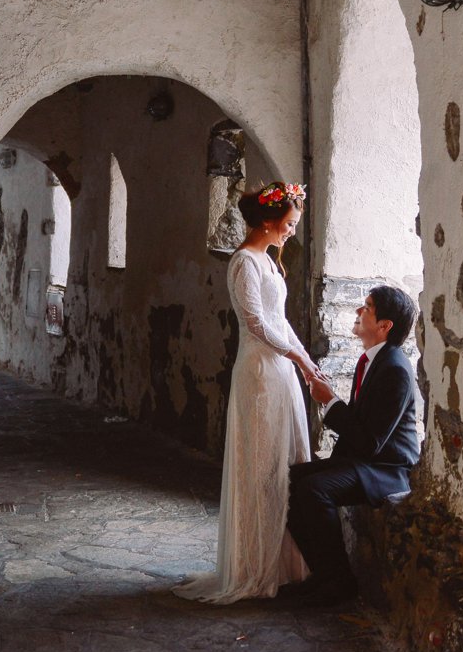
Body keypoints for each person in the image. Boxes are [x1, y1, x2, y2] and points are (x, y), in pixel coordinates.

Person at [174, 181, 323, 604]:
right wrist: (293, 357)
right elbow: (256, 322)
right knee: (261, 467)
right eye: (289, 224)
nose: (292, 231)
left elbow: (280, 319)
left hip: (281, 369)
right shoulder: (244, 262)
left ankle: (287, 563)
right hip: (259, 371)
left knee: (287, 463)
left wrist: (305, 359)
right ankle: (254, 567)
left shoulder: (271, 262)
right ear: (266, 221)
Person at [283, 285, 420, 607]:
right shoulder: (371, 360)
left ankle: (340, 582)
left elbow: (370, 442)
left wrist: (329, 402)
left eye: (368, 308)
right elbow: (361, 432)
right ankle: (323, 576)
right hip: (365, 460)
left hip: (388, 468)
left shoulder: (396, 369)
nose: (359, 312)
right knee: (289, 479)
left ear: (385, 326)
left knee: (314, 489)